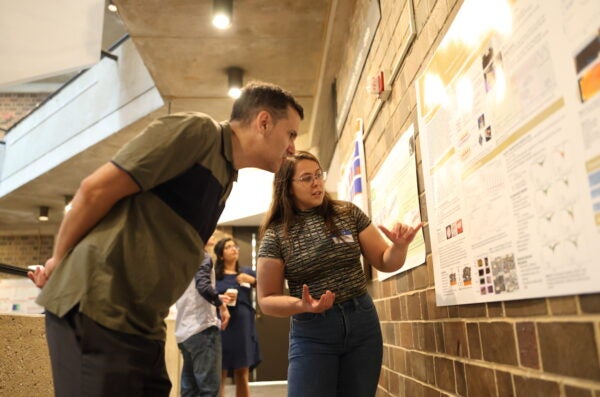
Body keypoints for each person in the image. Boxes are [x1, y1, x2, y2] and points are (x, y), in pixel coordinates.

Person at [27, 82, 304, 397]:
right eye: (291, 134)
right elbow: (95, 190)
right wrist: (58, 262)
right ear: (264, 122)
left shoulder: (226, 177)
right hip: (96, 308)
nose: (293, 147)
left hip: (143, 324)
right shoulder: (198, 133)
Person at [257, 151, 422, 397]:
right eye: (306, 178)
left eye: (318, 175)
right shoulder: (276, 235)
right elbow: (267, 300)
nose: (317, 182)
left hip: (361, 323)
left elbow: (385, 262)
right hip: (313, 332)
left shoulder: (347, 213)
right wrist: (301, 305)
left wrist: (399, 247)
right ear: (287, 187)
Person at [175, 243, 231, 397]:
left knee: (189, 391)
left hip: (183, 331)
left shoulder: (179, 257)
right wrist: (221, 305)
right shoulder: (201, 255)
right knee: (209, 390)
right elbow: (203, 286)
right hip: (202, 329)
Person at [214, 237, 261, 397]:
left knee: (242, 371)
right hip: (223, 325)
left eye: (235, 246)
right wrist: (221, 297)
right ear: (221, 255)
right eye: (228, 247)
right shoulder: (214, 276)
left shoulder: (246, 272)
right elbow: (206, 295)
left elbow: (269, 286)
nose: (234, 249)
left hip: (243, 326)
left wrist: (253, 280)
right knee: (219, 370)